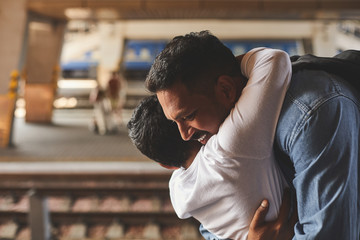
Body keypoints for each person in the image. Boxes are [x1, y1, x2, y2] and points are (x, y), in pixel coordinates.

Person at [145, 31, 360, 239]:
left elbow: (328, 234)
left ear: (227, 90)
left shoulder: (310, 116)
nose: (183, 135)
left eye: (189, 116)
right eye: (175, 122)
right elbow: (211, 228)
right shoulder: (219, 126)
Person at [129, 47, 293, 239]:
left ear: (166, 165)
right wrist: (210, 73)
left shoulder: (179, 193)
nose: (183, 133)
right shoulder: (227, 148)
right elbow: (274, 59)